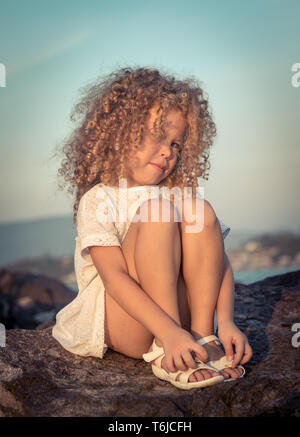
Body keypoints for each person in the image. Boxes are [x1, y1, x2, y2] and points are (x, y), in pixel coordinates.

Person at [52, 67, 252, 390]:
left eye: (176, 145)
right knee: (159, 211)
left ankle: (202, 336)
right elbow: (114, 279)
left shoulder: (176, 196)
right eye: (158, 137)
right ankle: (165, 345)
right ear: (119, 133)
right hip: (127, 321)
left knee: (198, 208)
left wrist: (226, 320)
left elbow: (219, 262)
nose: (167, 152)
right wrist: (169, 331)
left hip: (182, 324)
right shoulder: (99, 199)